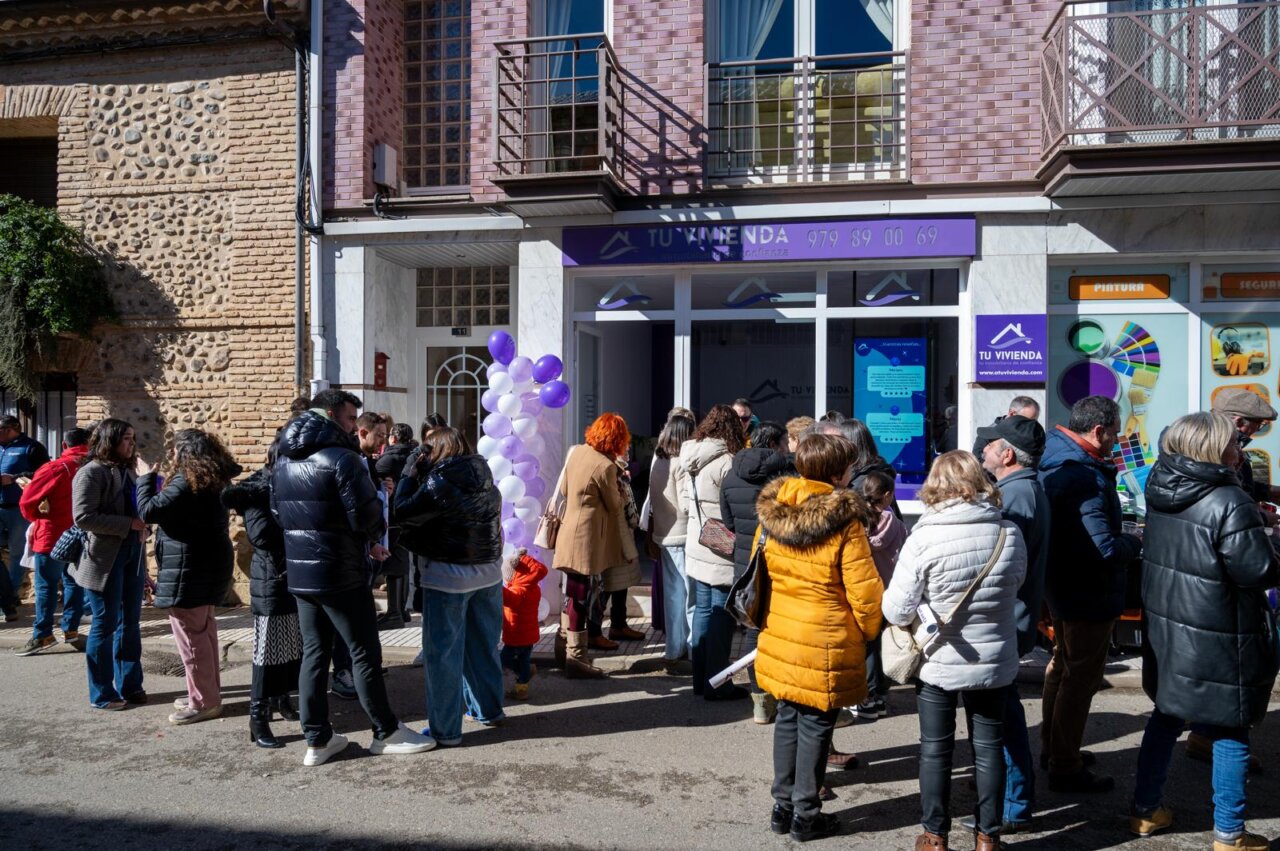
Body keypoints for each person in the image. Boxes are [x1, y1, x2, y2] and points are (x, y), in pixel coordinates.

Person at [1128, 412, 1280, 851]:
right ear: (1214, 449)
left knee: (1167, 713)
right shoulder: (1228, 499)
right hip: (1218, 628)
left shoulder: (1160, 487)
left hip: (1169, 622)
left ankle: (1144, 811)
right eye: (1236, 443)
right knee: (1231, 727)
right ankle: (1229, 835)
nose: (1241, 450)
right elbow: (1257, 571)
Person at [272, 389, 435, 765]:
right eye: (348, 419)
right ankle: (386, 731)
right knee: (363, 653)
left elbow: (279, 515)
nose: (352, 427)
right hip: (340, 572)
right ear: (331, 415)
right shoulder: (342, 460)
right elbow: (367, 519)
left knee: (314, 654)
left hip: (303, 574)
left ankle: (317, 739)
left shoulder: (283, 460)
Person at [883, 451, 1027, 851]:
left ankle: (935, 836)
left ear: (935, 485)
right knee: (988, 748)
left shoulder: (922, 538)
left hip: (938, 661)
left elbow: (895, 609)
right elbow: (1017, 583)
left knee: (936, 750)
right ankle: (988, 838)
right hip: (994, 660)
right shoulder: (1009, 533)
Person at [755, 433, 883, 843]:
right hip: (825, 633)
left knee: (789, 719)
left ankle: (782, 806)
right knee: (815, 725)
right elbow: (864, 590)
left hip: (783, 628)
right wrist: (868, 632)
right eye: (848, 466)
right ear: (836, 472)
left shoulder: (776, 510)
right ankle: (806, 814)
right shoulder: (846, 519)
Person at [1038, 395, 1141, 793]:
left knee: (1062, 670)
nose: (1118, 439)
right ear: (1098, 432)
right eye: (1115, 432)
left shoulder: (1059, 461)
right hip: (1086, 593)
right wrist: (1133, 542)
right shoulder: (1083, 475)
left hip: (1064, 588)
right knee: (1079, 678)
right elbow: (1105, 548)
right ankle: (1065, 764)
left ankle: (1055, 748)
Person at [394, 425, 506, 744]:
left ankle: (446, 730)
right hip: (488, 573)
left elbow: (403, 511)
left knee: (443, 655)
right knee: (482, 646)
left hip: (448, 576)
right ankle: (489, 710)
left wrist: (407, 475)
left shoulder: (438, 481)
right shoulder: (484, 475)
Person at [976, 414, 1050, 834]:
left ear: (1007, 454)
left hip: (1009, 620)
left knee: (1002, 717)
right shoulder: (1018, 489)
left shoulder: (1017, 494)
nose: (982, 450)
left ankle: (1013, 804)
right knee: (1002, 713)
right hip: (1013, 618)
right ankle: (1008, 794)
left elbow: (1008, 568)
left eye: (989, 444)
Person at [138, 429, 241, 725]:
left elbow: (148, 510)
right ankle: (206, 693)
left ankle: (203, 702)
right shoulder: (214, 478)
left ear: (186, 454)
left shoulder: (185, 481)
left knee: (192, 638)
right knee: (204, 632)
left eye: (176, 450)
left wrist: (145, 479)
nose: (171, 455)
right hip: (208, 564)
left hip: (190, 568)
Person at [222, 429, 302, 749]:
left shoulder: (286, 486)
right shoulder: (257, 490)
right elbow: (261, 537)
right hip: (270, 579)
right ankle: (257, 718)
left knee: (288, 647)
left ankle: (281, 699)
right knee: (266, 652)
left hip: (289, 578)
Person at [71, 419, 147, 710]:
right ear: (110, 440)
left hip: (133, 555)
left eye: (132, 438)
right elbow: (83, 517)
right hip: (103, 559)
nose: (131, 444)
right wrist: (130, 524)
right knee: (105, 624)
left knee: (131, 624)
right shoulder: (90, 473)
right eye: (126, 439)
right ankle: (102, 693)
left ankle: (131, 685)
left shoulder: (129, 471)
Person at [719, 420, 791, 723]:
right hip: (777, 563)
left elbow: (730, 524)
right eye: (785, 442)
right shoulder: (785, 476)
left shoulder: (731, 474)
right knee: (781, 630)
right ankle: (782, 693)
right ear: (776, 444)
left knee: (752, 629)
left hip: (745, 564)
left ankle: (760, 700)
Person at [551, 412, 631, 679]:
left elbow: (563, 489)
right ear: (617, 439)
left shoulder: (577, 453)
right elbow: (615, 505)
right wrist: (621, 487)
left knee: (573, 595)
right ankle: (576, 658)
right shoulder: (606, 466)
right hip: (585, 540)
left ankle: (564, 650)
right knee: (580, 597)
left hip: (569, 532)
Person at [680, 403, 747, 699]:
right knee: (722, 614)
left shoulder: (690, 455)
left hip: (697, 539)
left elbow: (684, 504)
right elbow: (735, 506)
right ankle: (718, 682)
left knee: (703, 610)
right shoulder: (727, 462)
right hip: (720, 543)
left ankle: (700, 681)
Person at [14, 427, 90, 655]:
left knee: (46, 586)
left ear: (64, 446)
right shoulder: (94, 467)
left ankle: (43, 634)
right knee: (74, 584)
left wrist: (35, 516)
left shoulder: (56, 467)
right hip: (80, 535)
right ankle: (71, 630)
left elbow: (27, 502)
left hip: (51, 535)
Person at [854, 470, 907, 720]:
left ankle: (866, 696)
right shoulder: (894, 524)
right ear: (887, 496)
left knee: (866, 644)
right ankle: (880, 693)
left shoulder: (855, 522)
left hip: (862, 587)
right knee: (883, 640)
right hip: (888, 587)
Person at [647, 410, 695, 674]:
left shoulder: (659, 459)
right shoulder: (681, 463)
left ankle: (673, 649)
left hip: (664, 535)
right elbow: (687, 504)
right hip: (684, 533)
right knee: (691, 596)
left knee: (673, 595)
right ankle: (691, 647)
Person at [0, 414, 49, 621]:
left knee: (17, 553)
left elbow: (43, 474)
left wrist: (13, 478)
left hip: (19, 508)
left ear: (12, 429)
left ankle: (10, 596)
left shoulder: (32, 447)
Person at [1210, 388, 1280, 517]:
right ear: (1239, 421)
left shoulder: (1218, 446)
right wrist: (1261, 517)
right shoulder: (1212, 453)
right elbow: (1221, 504)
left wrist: (1268, 492)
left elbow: (1236, 485)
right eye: (1259, 425)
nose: (1257, 430)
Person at [375, 422, 417, 628]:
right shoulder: (416, 456)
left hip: (392, 516)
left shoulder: (388, 459)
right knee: (403, 563)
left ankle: (394, 613)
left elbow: (373, 475)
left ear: (393, 438)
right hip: (410, 516)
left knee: (393, 564)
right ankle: (401, 610)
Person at [501, 549, 547, 700]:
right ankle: (524, 677)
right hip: (527, 635)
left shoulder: (518, 591)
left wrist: (495, 586)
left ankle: (522, 688)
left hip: (517, 636)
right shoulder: (533, 588)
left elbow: (508, 598)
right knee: (523, 659)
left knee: (504, 660)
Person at [973, 396, 1042, 458]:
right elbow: (978, 462)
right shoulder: (986, 435)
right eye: (1026, 421)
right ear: (1012, 413)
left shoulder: (1033, 434)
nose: (1031, 426)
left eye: (1034, 421)